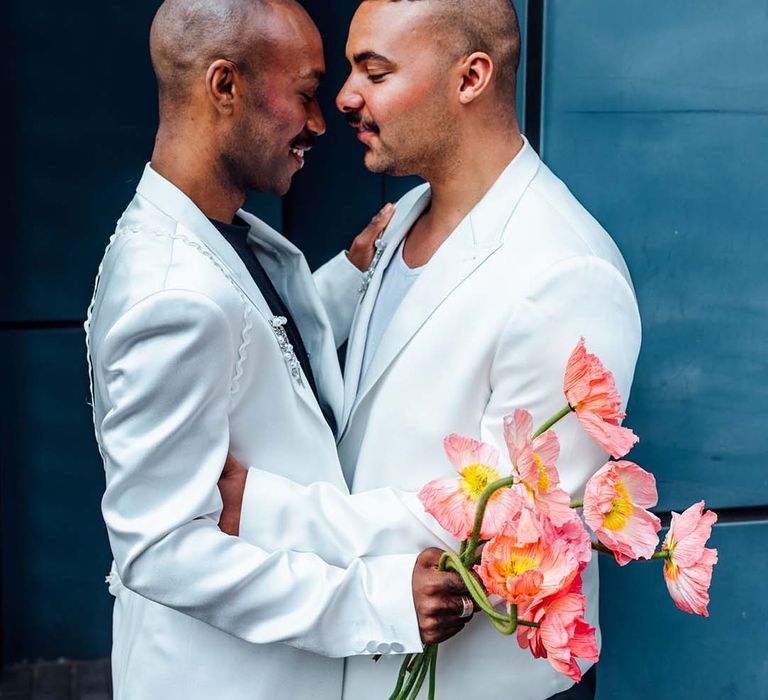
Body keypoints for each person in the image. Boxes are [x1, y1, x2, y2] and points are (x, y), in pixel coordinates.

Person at [219, 0, 642, 698]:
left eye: (374, 71)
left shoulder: (567, 271)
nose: (346, 96)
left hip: (475, 682)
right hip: (371, 654)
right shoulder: (405, 214)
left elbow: (508, 523)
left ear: (471, 77)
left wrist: (266, 511)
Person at [85, 1, 474, 698]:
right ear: (224, 86)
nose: (321, 122)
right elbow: (161, 551)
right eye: (305, 93)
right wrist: (377, 602)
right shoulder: (171, 295)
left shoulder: (215, 232)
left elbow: (252, 344)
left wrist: (352, 277)